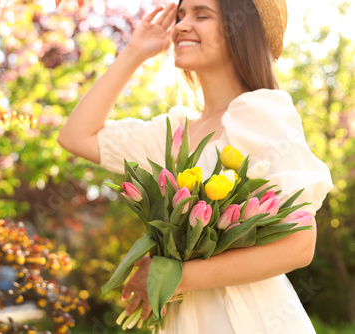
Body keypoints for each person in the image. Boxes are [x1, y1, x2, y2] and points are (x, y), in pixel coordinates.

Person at [58, 0, 333, 332]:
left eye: (202, 15)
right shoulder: (174, 132)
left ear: (239, 31)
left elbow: (299, 245)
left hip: (244, 317)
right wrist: (134, 52)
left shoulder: (260, 113)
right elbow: (76, 136)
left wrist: (173, 275)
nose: (181, 26)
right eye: (180, 16)